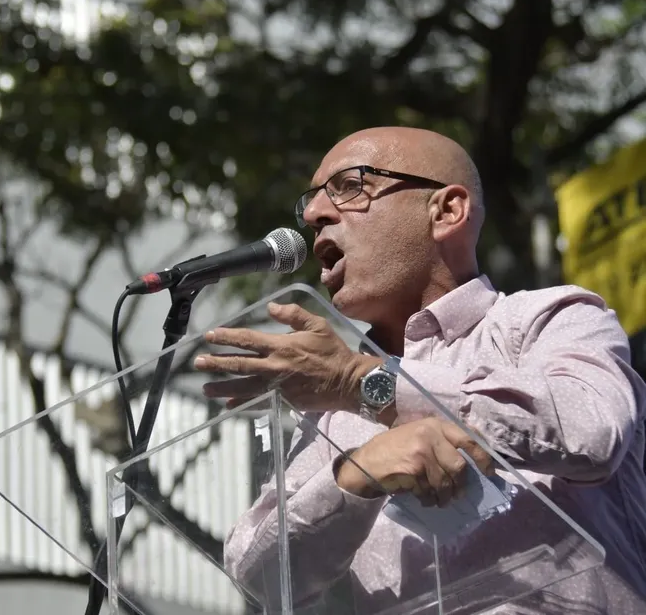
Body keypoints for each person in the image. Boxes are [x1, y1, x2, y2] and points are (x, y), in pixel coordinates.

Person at [193, 127, 646, 614]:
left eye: (349, 185)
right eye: (310, 200)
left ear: (447, 211)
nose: (312, 214)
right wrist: (353, 475)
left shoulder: (548, 318)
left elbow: (591, 429)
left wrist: (366, 384)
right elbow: (260, 576)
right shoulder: (333, 418)